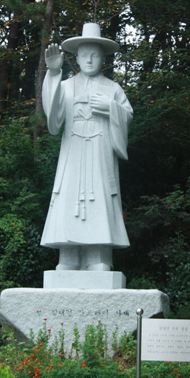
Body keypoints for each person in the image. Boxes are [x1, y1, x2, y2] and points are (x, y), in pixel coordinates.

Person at [40, 22, 133, 271]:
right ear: (77, 58)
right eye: (84, 55)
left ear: (103, 58)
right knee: (68, 198)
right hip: (73, 152)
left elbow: (127, 115)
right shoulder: (66, 86)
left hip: (100, 154)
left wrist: (110, 107)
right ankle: (68, 256)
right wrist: (53, 74)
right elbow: (54, 121)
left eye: (95, 55)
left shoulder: (113, 89)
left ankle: (98, 257)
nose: (89, 60)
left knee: (100, 199)